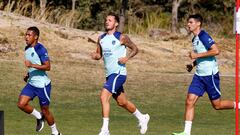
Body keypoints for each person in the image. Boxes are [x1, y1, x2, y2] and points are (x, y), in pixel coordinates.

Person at [172, 14, 238, 135]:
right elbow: (203, 55)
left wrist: (196, 55)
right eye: (188, 22)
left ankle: (238, 105)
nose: (188, 24)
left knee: (217, 105)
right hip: (199, 76)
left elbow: (216, 51)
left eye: (191, 22)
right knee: (189, 101)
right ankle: (186, 132)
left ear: (198, 24)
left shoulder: (203, 35)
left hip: (210, 75)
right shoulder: (194, 38)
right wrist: (193, 64)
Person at [91, 13, 150, 135]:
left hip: (119, 73)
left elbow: (135, 49)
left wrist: (126, 58)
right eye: (106, 20)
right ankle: (142, 117)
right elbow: (99, 54)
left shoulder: (121, 37)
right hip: (109, 74)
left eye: (110, 20)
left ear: (116, 23)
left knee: (103, 96)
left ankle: (105, 129)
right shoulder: (101, 38)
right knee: (122, 102)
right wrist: (95, 56)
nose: (107, 22)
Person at [17, 26, 61, 135]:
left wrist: (31, 65)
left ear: (35, 37)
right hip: (32, 84)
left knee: (46, 111)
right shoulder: (27, 49)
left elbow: (47, 66)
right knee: (21, 104)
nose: (26, 37)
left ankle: (56, 132)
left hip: (43, 86)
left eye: (29, 35)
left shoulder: (40, 49)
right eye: (26, 35)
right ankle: (39, 116)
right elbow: (33, 64)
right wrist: (28, 74)